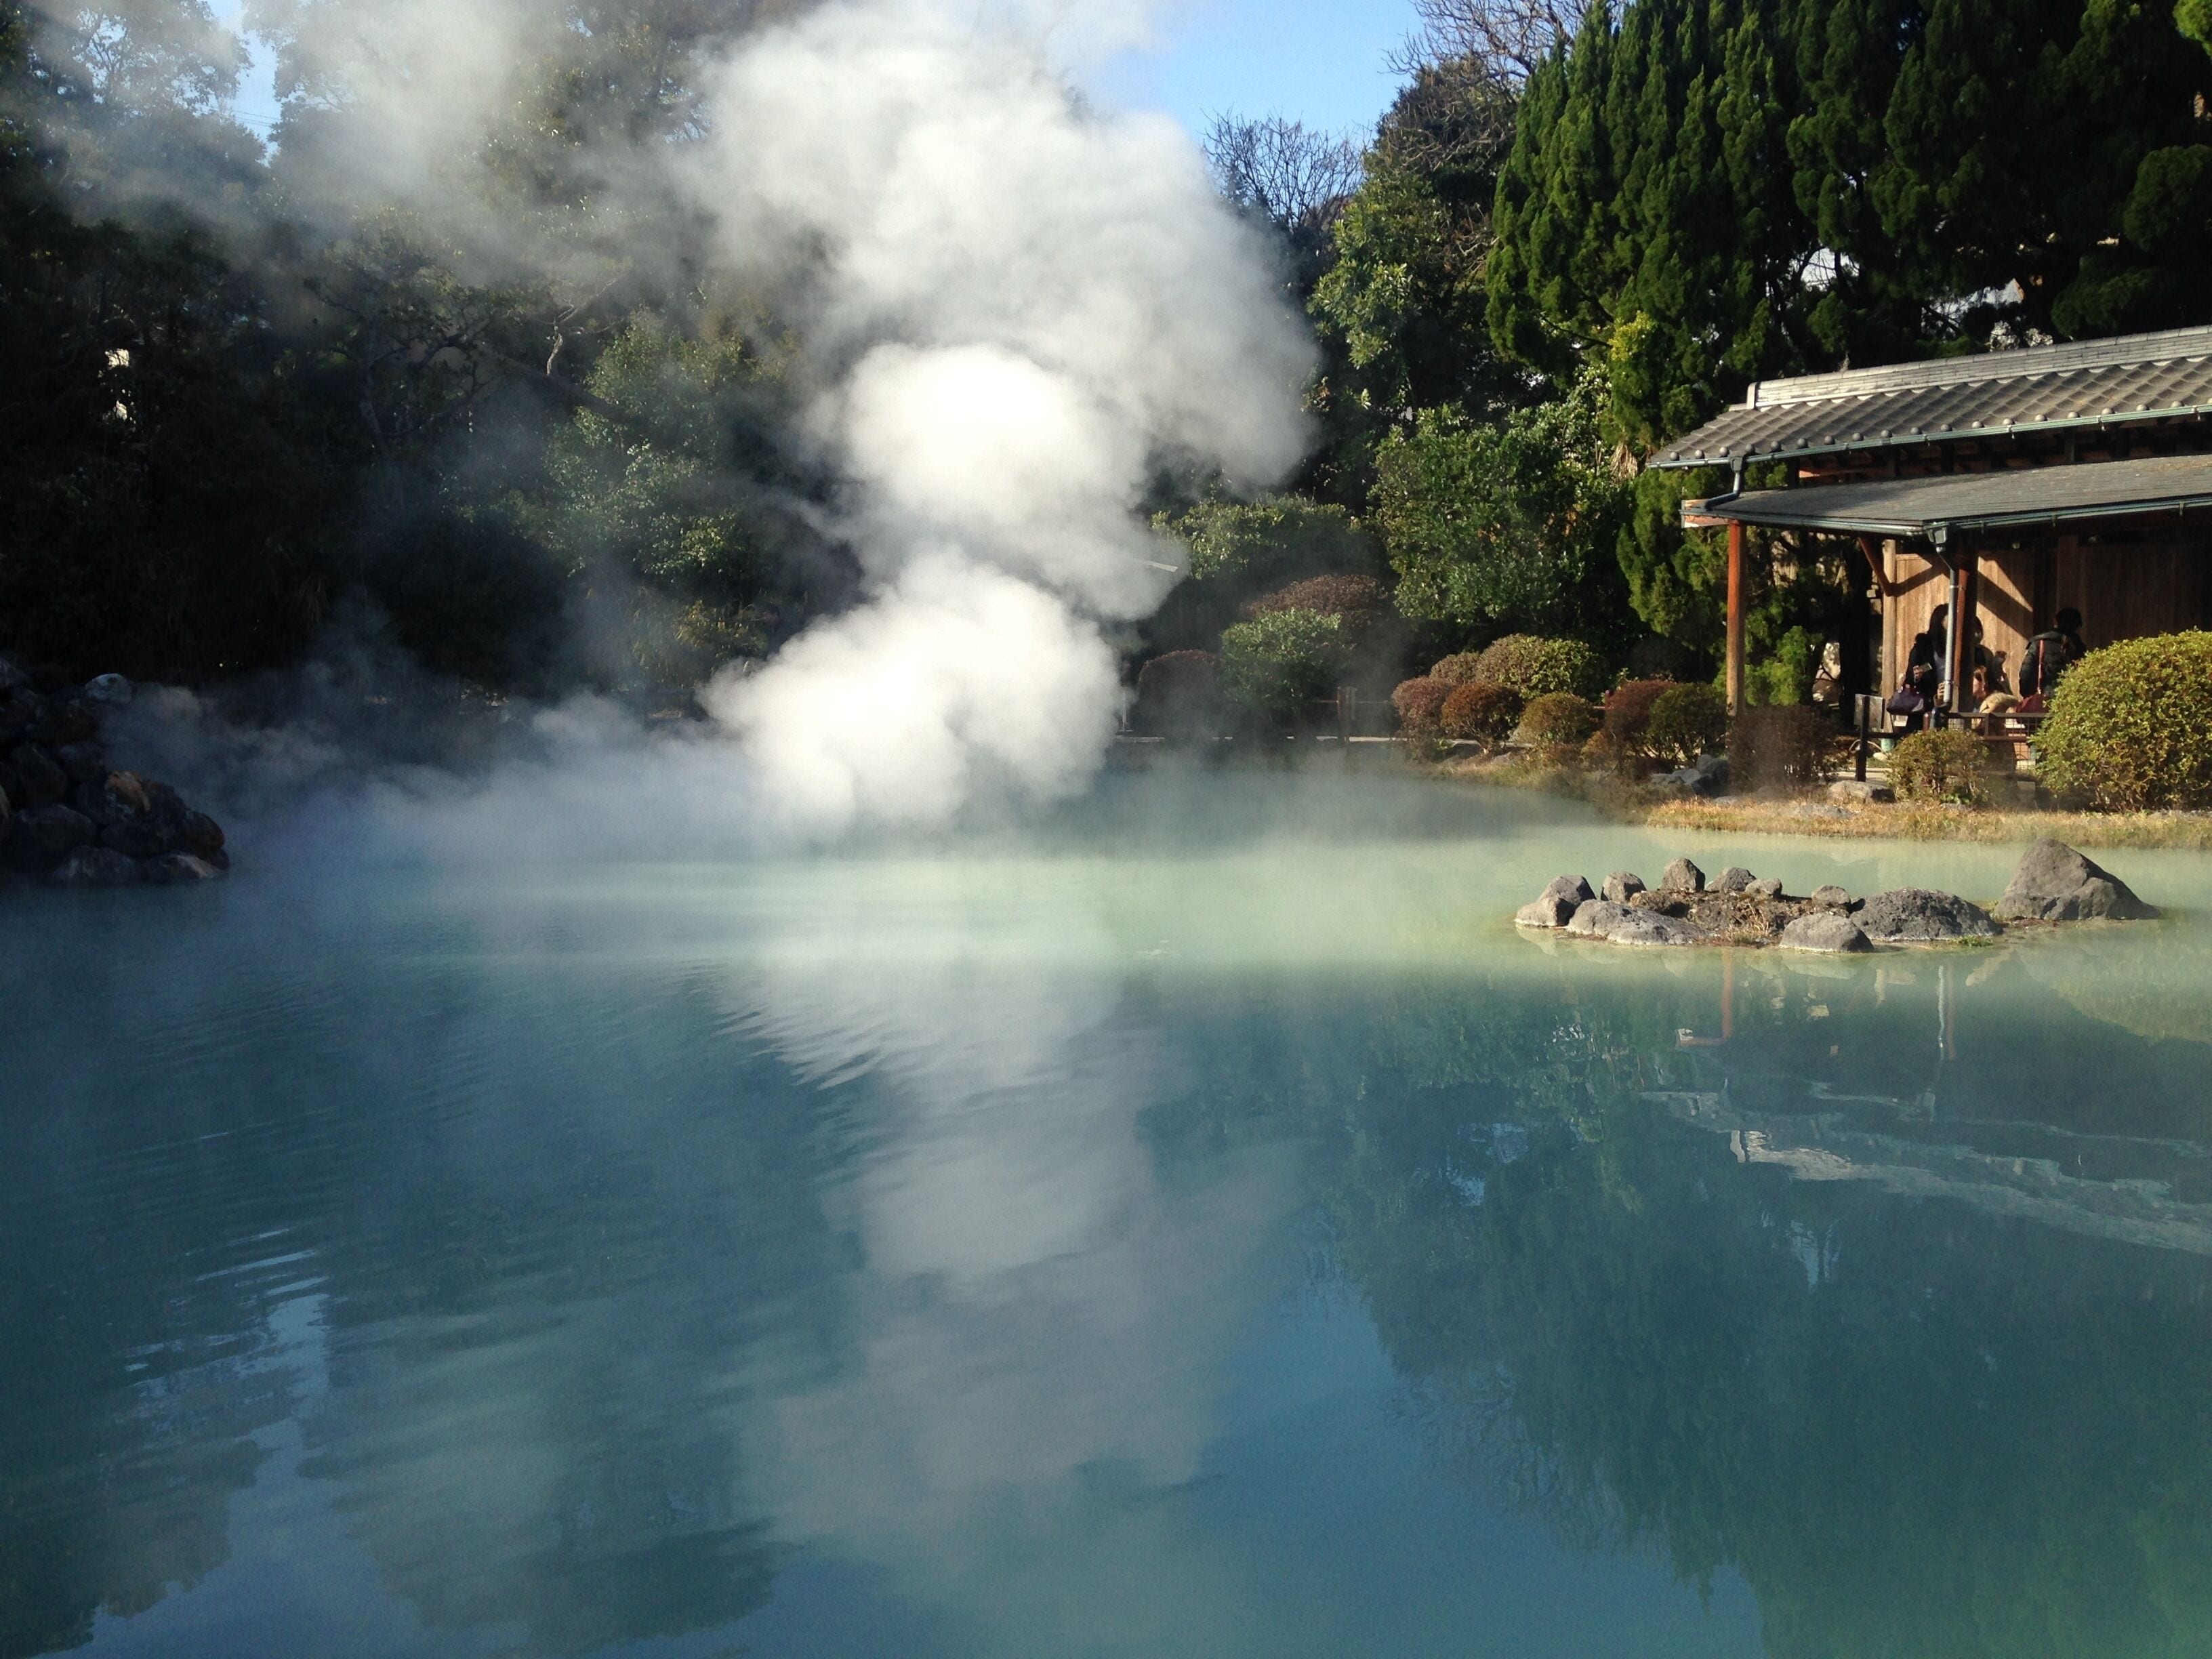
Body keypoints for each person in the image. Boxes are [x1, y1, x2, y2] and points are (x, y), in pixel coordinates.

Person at [2018, 607, 2085, 702]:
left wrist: (2027, 694)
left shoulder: (2039, 644)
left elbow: (2026, 673)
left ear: (2056, 622)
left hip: (2042, 699)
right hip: (2069, 702)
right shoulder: (2078, 647)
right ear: (2077, 627)